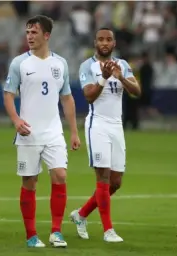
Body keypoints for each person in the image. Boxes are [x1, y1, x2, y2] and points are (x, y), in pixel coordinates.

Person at [3, 15, 80, 248]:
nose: (29, 36)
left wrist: (74, 132)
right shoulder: (19, 63)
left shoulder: (60, 64)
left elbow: (67, 98)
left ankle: (56, 232)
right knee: (30, 182)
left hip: (54, 132)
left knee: (61, 175)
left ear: (46, 35)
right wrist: (16, 120)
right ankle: (31, 235)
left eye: (34, 32)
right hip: (29, 132)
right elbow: (8, 94)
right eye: (27, 32)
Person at [69, 28, 141, 242]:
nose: (104, 43)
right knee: (103, 177)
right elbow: (89, 97)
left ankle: (81, 214)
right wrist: (104, 78)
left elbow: (137, 92)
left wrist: (121, 77)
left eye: (108, 39)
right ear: (95, 42)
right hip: (97, 125)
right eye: (100, 39)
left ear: (114, 43)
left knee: (116, 183)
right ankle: (108, 230)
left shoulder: (123, 65)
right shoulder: (87, 66)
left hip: (117, 126)